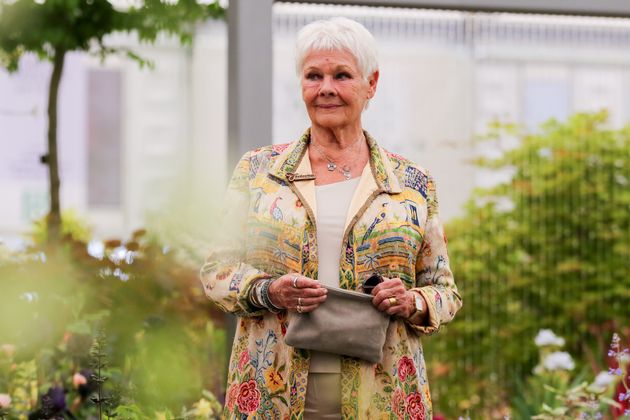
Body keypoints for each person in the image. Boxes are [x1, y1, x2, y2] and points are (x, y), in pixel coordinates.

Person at [200, 16, 462, 419]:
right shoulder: (259, 173)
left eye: (341, 75)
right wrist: (271, 291)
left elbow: (444, 291)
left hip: (382, 398)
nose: (326, 88)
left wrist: (411, 301)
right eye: (313, 76)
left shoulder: (412, 185)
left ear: (371, 84)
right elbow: (216, 272)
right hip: (273, 397)